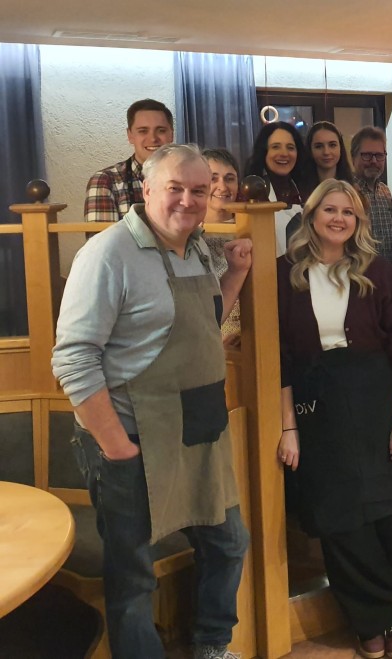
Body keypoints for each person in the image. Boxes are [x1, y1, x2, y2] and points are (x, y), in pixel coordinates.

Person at [53, 143, 253, 659]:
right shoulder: (106, 254)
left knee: (229, 544)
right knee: (134, 576)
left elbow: (198, 329)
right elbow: (74, 361)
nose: (188, 200)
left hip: (199, 429)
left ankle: (211, 645)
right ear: (146, 191)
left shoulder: (199, 248)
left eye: (199, 191)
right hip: (133, 437)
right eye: (175, 188)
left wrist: (233, 276)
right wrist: (117, 447)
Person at [276, 179, 392, 658]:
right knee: (336, 515)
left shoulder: (378, 271)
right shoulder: (283, 273)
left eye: (349, 212)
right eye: (330, 209)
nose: (339, 218)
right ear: (312, 215)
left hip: (375, 397)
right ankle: (384, 609)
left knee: (383, 510)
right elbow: (278, 357)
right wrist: (288, 427)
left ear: (359, 221)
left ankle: (381, 615)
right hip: (315, 404)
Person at [84, 98, 174, 222]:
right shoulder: (106, 181)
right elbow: (101, 240)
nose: (153, 138)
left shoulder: (190, 178)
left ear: (171, 135)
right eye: (143, 131)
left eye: (161, 131)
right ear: (130, 135)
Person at [244, 121, 312, 255]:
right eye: (276, 147)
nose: (284, 153)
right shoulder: (253, 191)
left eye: (290, 147)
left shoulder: (306, 190)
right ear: (264, 152)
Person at [202, 148, 242, 346]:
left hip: (251, 338)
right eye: (213, 178)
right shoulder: (188, 234)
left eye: (229, 178)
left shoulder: (251, 229)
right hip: (208, 343)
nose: (222, 186)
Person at [351, 126, 392, 265]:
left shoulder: (385, 192)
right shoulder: (347, 192)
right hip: (359, 274)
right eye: (367, 155)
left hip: (388, 274)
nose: (374, 161)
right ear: (353, 156)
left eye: (379, 155)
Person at [305, 120, 355, 187]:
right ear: (310, 150)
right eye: (319, 146)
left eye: (332, 145)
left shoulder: (354, 188)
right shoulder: (298, 190)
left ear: (340, 148)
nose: (326, 152)